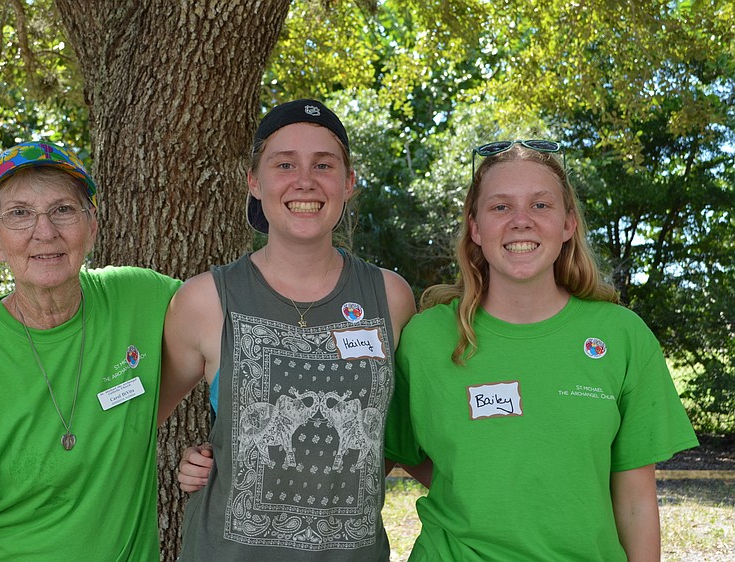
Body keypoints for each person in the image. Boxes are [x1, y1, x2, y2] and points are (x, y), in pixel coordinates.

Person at [383, 140, 699, 561]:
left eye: (540, 206)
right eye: (500, 207)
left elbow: (637, 502)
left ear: (568, 224)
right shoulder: (425, 339)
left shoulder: (622, 336)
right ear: (475, 227)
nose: (520, 222)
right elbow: (401, 450)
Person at [0, 141, 182, 560]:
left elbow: (226, 325)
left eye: (63, 209)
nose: (45, 232)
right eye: (20, 213)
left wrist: (221, 444)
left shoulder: (141, 297)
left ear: (92, 224)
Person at [161, 99, 416, 561]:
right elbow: (139, 422)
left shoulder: (391, 298)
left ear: (349, 182)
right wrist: (196, 457)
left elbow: (404, 432)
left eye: (324, 164)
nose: (305, 180)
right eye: (284, 164)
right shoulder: (204, 301)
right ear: (255, 182)